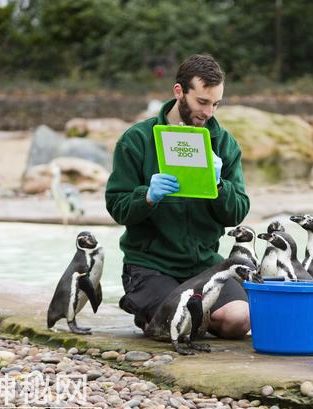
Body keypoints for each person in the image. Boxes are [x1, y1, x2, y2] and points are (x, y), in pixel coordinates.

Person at [105, 54, 250, 338]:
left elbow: (237, 212)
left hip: (203, 265)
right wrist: (146, 196)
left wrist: (219, 185)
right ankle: (158, 310)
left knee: (239, 320)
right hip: (151, 266)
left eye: (215, 104)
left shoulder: (225, 143)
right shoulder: (136, 140)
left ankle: (184, 316)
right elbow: (117, 206)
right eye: (202, 102)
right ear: (179, 92)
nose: (208, 113)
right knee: (177, 326)